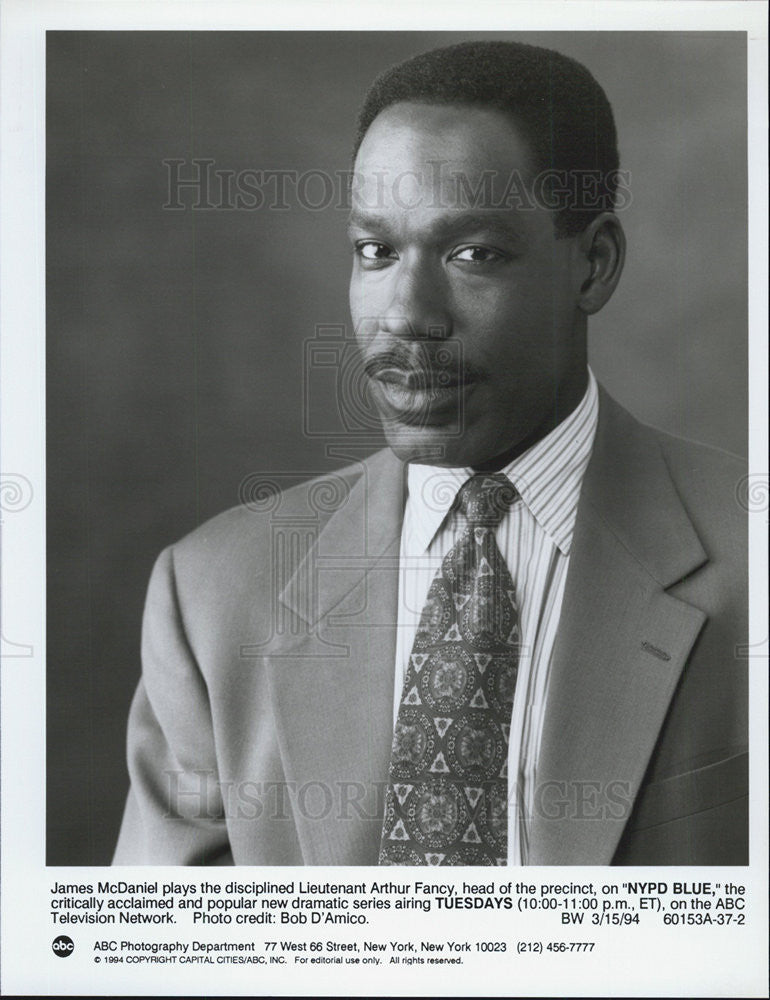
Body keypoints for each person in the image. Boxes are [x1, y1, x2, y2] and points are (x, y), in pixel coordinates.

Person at [113, 40, 747, 866]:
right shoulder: (209, 596)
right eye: (376, 251)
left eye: (472, 254)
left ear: (594, 264)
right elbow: (159, 962)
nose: (408, 314)